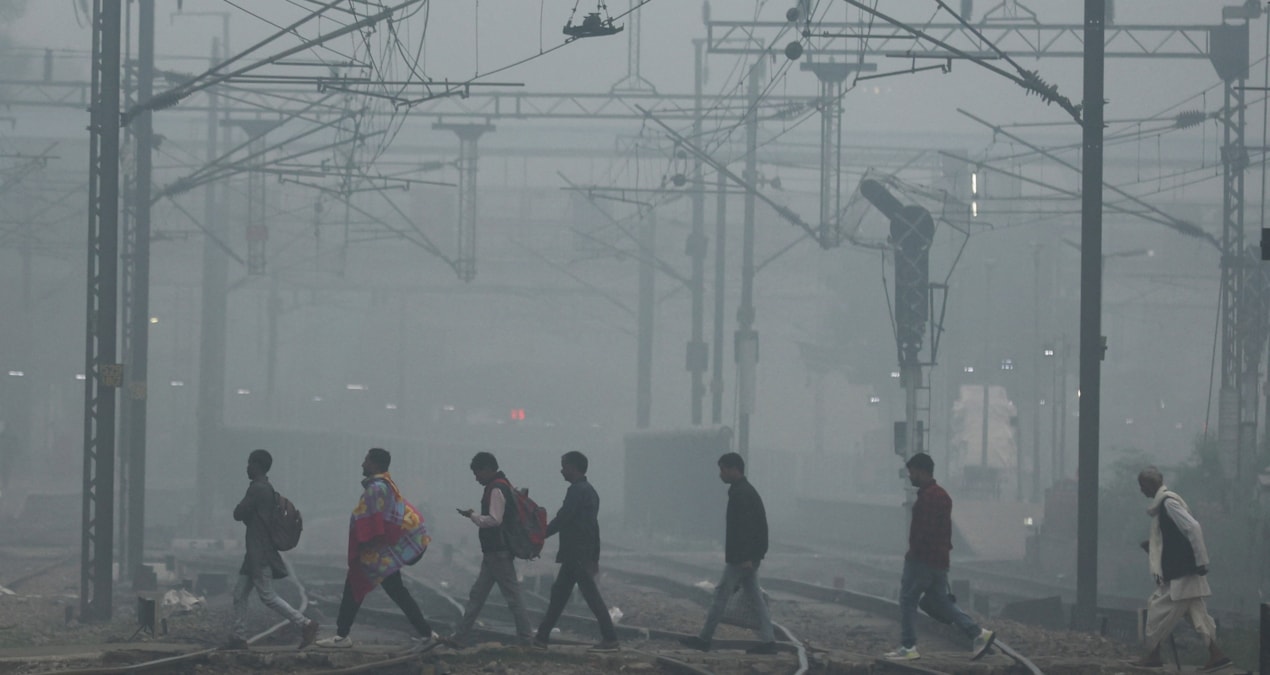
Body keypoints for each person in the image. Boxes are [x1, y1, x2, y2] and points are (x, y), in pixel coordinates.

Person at [316, 448, 435, 650]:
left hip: (377, 553)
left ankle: (342, 636)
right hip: (382, 553)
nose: (363, 464)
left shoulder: (376, 488)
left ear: (375, 464)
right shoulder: (386, 485)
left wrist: (363, 545)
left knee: (355, 588)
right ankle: (427, 633)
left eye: (366, 460)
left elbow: (372, 521)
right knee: (395, 592)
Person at [884, 452, 994, 662]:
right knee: (941, 601)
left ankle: (908, 646)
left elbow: (924, 532)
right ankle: (978, 634)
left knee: (907, 600)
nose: (910, 476)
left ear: (922, 471)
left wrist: (915, 555)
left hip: (922, 561)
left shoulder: (929, 497)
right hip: (939, 560)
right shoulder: (941, 495)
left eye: (912, 471)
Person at [1129, 467, 1231, 671]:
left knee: (1156, 608)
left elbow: (1192, 528)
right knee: (1198, 616)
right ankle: (1216, 655)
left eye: (1142, 486)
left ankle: (1153, 654)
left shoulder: (1169, 503)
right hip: (1183, 572)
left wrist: (1202, 561)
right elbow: (1175, 537)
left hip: (1182, 574)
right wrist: (1154, 547)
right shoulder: (1163, 506)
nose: (1141, 491)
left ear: (1150, 485)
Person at [680, 452, 777, 655]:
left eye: (723, 469)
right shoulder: (743, 491)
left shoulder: (742, 494)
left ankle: (704, 639)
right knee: (756, 598)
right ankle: (768, 640)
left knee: (720, 596)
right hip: (745, 557)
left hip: (741, 559)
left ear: (734, 469)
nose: (721, 474)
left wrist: (748, 557)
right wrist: (755, 556)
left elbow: (747, 529)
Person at [226, 449, 319, 650]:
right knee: (239, 593)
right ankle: (238, 636)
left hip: (259, 553)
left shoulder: (257, 489)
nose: (247, 467)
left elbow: (238, 513)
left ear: (257, 465)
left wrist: (245, 513)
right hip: (254, 552)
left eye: (250, 463)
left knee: (267, 595)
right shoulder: (267, 488)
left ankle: (305, 624)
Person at [532, 451, 620, 652]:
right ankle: (542, 637)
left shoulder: (577, 491)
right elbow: (594, 527)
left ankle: (610, 638)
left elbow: (563, 518)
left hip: (576, 553)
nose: (562, 470)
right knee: (559, 594)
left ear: (573, 467)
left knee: (589, 594)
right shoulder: (590, 491)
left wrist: (539, 535)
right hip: (578, 554)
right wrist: (595, 556)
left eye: (564, 466)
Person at [447, 452, 535, 646]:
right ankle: (460, 636)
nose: (476, 477)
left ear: (487, 469)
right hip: (494, 553)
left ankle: (527, 639)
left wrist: (474, 517)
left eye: (477, 473)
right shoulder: (502, 484)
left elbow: (495, 520)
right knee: (477, 595)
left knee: (512, 597)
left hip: (498, 552)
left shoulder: (496, 488)